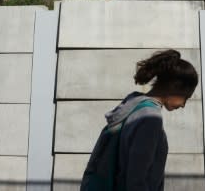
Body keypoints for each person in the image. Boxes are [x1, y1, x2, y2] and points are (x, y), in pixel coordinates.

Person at [81, 49, 199, 191]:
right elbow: (136, 179)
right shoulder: (150, 119)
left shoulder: (133, 106)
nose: (183, 105)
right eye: (186, 97)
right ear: (174, 87)